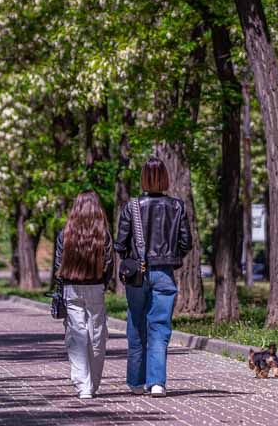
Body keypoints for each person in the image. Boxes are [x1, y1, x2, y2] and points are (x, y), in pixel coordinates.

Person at [114, 157, 192, 397]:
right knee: (160, 327)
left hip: (137, 274)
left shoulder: (132, 206)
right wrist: (171, 256)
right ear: (165, 178)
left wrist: (131, 256)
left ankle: (136, 383)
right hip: (164, 273)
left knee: (136, 324)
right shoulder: (177, 206)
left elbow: (120, 244)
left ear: (143, 179)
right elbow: (186, 242)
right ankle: (157, 383)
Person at [51, 191, 114, 400]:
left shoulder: (65, 233)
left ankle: (83, 385)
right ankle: (93, 383)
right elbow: (109, 264)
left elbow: (58, 264)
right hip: (95, 286)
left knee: (77, 336)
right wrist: (103, 284)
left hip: (71, 288)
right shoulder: (103, 234)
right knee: (97, 335)